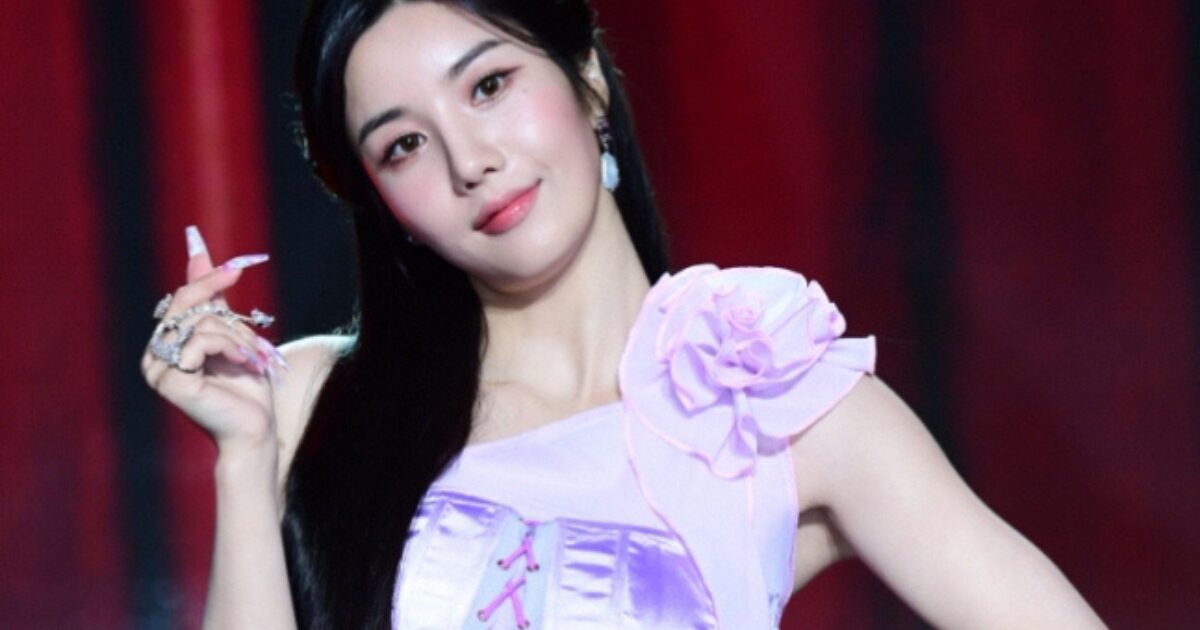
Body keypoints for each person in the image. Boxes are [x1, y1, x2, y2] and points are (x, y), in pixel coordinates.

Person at [141, 0, 1106, 627]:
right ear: (384, 204)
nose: (470, 160)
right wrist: (243, 459)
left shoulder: (767, 400)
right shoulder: (312, 400)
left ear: (587, 77)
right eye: (404, 146)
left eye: (489, 86)